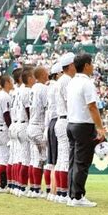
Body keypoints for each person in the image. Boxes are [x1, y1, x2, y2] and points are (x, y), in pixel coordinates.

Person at [66, 53, 106, 207]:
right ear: (87, 65)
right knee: (82, 163)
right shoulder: (87, 83)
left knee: (73, 161)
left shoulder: (72, 82)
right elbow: (92, 106)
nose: (93, 66)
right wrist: (100, 128)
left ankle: (71, 195)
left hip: (71, 123)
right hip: (83, 125)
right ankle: (78, 197)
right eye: (92, 63)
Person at [54, 52, 76, 204]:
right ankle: (64, 193)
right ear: (70, 66)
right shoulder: (67, 80)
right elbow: (71, 103)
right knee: (66, 160)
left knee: (61, 159)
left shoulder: (60, 80)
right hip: (66, 119)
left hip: (59, 120)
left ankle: (61, 193)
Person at [27, 66, 49, 198]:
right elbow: (48, 107)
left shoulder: (33, 88)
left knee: (35, 159)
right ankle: (43, 189)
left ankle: (34, 189)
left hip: (31, 125)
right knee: (44, 158)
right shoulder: (43, 88)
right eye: (46, 73)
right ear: (41, 75)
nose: (48, 75)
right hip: (39, 126)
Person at [44, 62, 63, 201]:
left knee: (51, 161)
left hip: (50, 123)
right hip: (57, 120)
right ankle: (57, 191)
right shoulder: (58, 85)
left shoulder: (49, 87)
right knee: (59, 160)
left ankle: (51, 190)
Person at [16, 67, 35, 197]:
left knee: (23, 158)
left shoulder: (19, 90)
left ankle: (20, 186)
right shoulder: (27, 91)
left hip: (18, 123)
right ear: (29, 79)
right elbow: (29, 110)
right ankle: (24, 188)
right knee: (28, 159)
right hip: (26, 123)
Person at [0, 75, 13, 192]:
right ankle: (3, 185)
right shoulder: (5, 96)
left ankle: (0, 183)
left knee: (1, 158)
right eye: (11, 81)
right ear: (6, 83)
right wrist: (11, 127)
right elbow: (6, 115)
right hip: (2, 128)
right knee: (5, 157)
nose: (12, 83)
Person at [9, 68, 23, 195]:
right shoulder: (24, 90)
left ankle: (14, 185)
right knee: (25, 159)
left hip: (14, 124)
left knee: (15, 158)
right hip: (23, 123)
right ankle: (22, 187)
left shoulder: (13, 92)